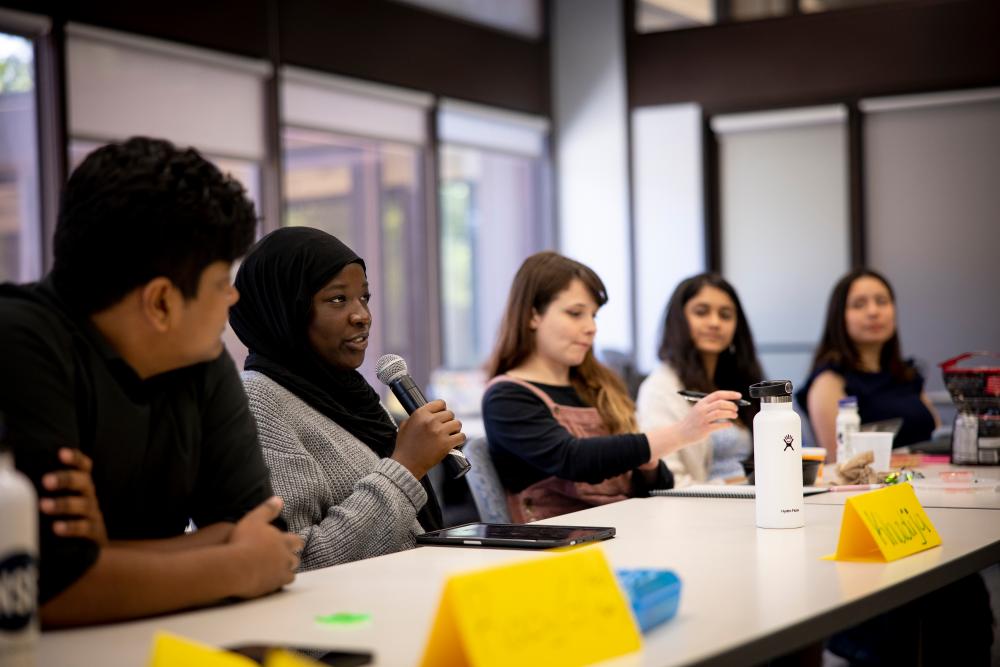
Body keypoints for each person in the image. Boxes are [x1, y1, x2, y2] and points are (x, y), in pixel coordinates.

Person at [0, 137, 303, 627]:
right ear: (161, 302)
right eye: (221, 280)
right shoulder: (20, 342)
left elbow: (269, 531)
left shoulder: (197, 357)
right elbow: (39, 589)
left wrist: (107, 554)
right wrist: (236, 565)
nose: (233, 297)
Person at [229, 227, 463, 571]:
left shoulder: (348, 392)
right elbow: (299, 562)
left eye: (364, 298)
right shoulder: (258, 401)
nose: (362, 315)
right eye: (338, 299)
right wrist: (406, 466)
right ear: (286, 308)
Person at [482, 251, 742, 522]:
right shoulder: (506, 397)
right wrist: (679, 433)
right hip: (560, 549)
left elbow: (657, 485)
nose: (591, 327)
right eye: (575, 314)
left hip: (624, 529)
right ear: (533, 315)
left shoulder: (599, 389)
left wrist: (646, 464)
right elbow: (574, 459)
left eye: (593, 315)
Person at [796, 268, 939, 459]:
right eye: (859, 304)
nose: (873, 312)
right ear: (839, 317)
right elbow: (838, 462)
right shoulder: (829, 380)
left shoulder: (906, 373)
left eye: (882, 302)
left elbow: (937, 436)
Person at [636, 273, 763, 486]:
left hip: (755, 502)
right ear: (679, 320)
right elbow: (670, 479)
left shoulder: (737, 380)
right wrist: (738, 485)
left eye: (725, 315)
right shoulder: (660, 388)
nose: (715, 323)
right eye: (701, 312)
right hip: (702, 508)